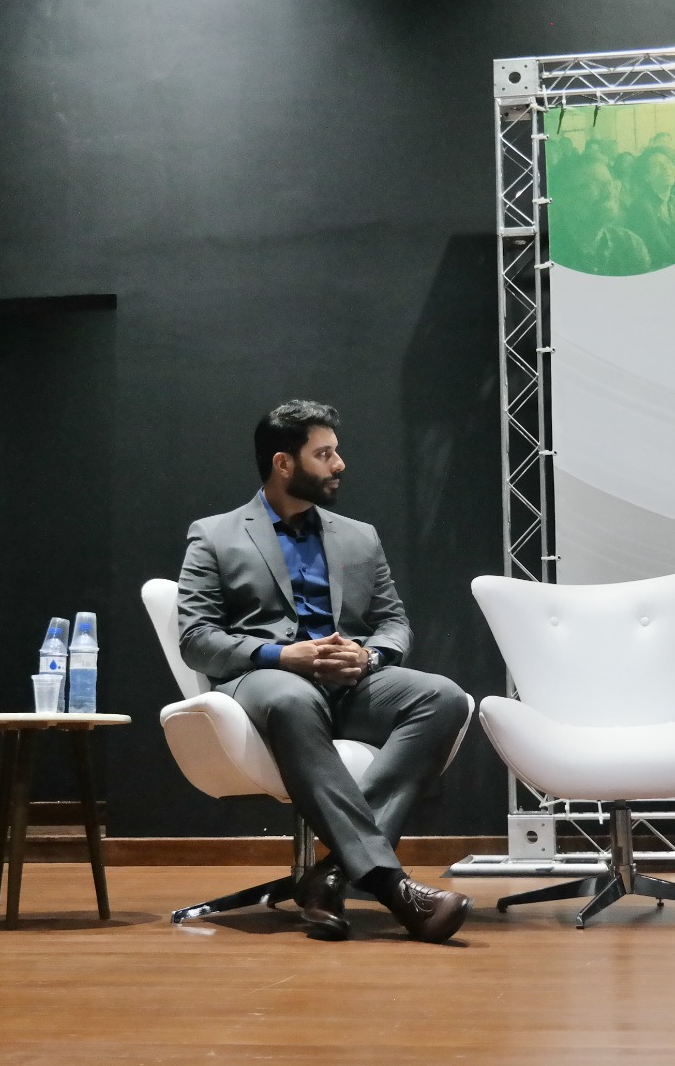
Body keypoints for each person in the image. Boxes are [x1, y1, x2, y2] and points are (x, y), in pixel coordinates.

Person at [177, 400, 473, 943]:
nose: (340, 464)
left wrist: (370, 656)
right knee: (293, 698)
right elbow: (197, 639)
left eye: (336, 452)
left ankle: (331, 873)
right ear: (283, 463)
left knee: (444, 697)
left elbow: (393, 622)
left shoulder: (359, 536)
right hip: (267, 682)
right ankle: (392, 887)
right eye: (325, 454)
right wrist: (283, 656)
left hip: (350, 682)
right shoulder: (215, 535)